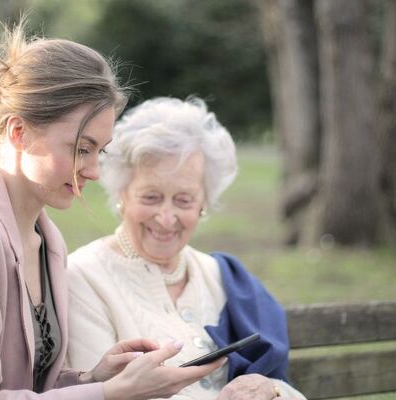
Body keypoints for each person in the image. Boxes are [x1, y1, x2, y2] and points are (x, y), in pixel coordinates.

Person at [0, 22, 222, 400]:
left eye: (99, 151)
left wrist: (94, 379)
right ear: (18, 132)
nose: (92, 170)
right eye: (80, 148)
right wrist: (108, 395)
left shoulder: (47, 240)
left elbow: (29, 386)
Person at [66, 97, 306, 400]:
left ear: (203, 203)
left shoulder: (222, 276)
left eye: (184, 200)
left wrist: (270, 388)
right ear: (122, 194)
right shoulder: (83, 278)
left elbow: (282, 386)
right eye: (151, 197)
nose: (166, 219)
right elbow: (97, 394)